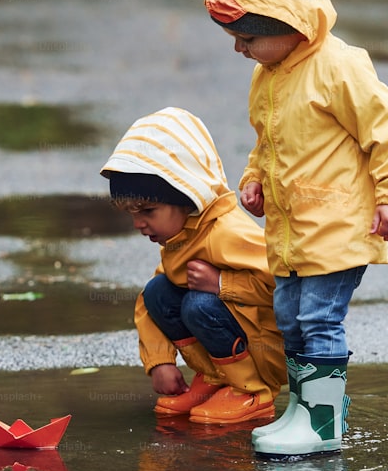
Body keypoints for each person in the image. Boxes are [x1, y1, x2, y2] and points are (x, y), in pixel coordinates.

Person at [204, 0, 388, 457]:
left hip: (338, 228)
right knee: (290, 317)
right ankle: (305, 409)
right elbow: (267, 139)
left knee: (320, 319)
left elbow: (384, 129)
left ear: (289, 24)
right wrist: (253, 179)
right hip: (292, 231)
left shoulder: (339, 66)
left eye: (248, 37)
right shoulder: (268, 75)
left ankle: (322, 424)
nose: (240, 48)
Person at [100, 107, 286, 425]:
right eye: (131, 213)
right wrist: (160, 362)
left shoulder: (225, 232)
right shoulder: (183, 235)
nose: (138, 223)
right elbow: (149, 305)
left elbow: (284, 285)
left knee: (200, 303)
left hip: (265, 352)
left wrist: (222, 284)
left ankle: (252, 392)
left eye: (147, 210)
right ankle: (214, 378)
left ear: (186, 194)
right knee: (158, 292)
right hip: (231, 346)